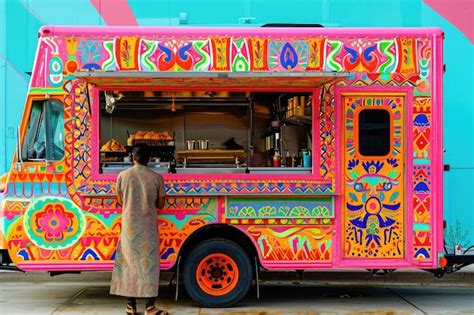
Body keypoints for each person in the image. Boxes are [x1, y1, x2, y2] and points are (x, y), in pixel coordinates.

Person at [110, 144, 168, 315]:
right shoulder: (157, 178)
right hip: (148, 226)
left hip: (129, 226)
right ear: (149, 159)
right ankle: (150, 307)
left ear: (132, 158)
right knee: (149, 265)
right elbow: (161, 204)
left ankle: (130, 306)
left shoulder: (122, 176)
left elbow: (120, 201)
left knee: (129, 263)